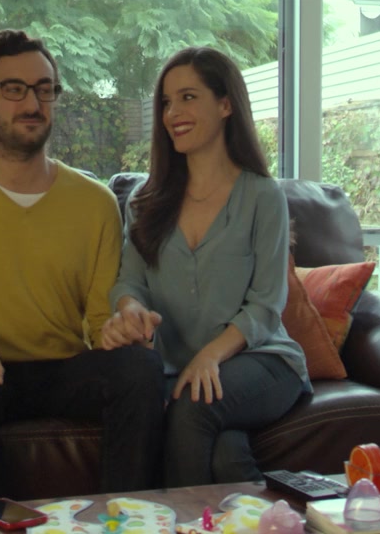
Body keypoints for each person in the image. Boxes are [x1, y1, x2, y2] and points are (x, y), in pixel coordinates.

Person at [0, 29, 165, 503]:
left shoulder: (95, 202)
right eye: (14, 89)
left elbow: (100, 320)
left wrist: (123, 328)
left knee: (140, 367)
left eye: (44, 89)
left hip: (65, 370)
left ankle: (123, 519)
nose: (33, 103)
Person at [101, 46, 309, 487]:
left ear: (225, 104)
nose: (172, 113)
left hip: (263, 361)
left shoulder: (263, 196)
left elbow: (266, 305)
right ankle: (265, 514)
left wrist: (209, 357)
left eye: (188, 97)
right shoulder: (143, 202)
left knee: (194, 404)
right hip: (176, 369)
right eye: (167, 102)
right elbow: (129, 283)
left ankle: (178, 519)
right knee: (226, 458)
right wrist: (130, 309)